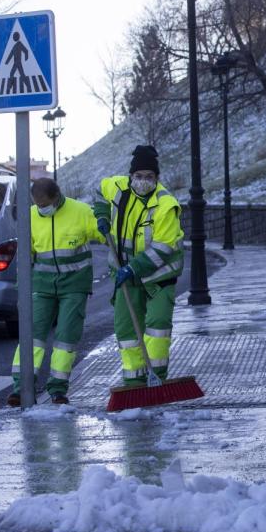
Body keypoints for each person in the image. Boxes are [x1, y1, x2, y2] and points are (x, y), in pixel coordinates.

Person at [93, 145, 184, 386]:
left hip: (158, 277)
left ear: (157, 178)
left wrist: (133, 268)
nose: (144, 181)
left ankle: (157, 380)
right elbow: (99, 192)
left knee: (157, 328)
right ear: (131, 176)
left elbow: (164, 248)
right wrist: (101, 215)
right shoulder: (118, 187)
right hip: (126, 276)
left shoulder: (166, 205)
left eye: (150, 177)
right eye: (139, 176)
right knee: (126, 331)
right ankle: (134, 382)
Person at [8, 178, 104, 406]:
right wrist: (22, 291)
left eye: (46, 204)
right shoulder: (30, 216)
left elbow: (104, 236)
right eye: (38, 205)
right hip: (42, 285)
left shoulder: (81, 211)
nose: (42, 209)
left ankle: (58, 390)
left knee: (66, 338)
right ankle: (21, 388)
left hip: (75, 285)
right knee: (32, 336)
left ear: (57, 196)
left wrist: (105, 223)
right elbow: (25, 257)